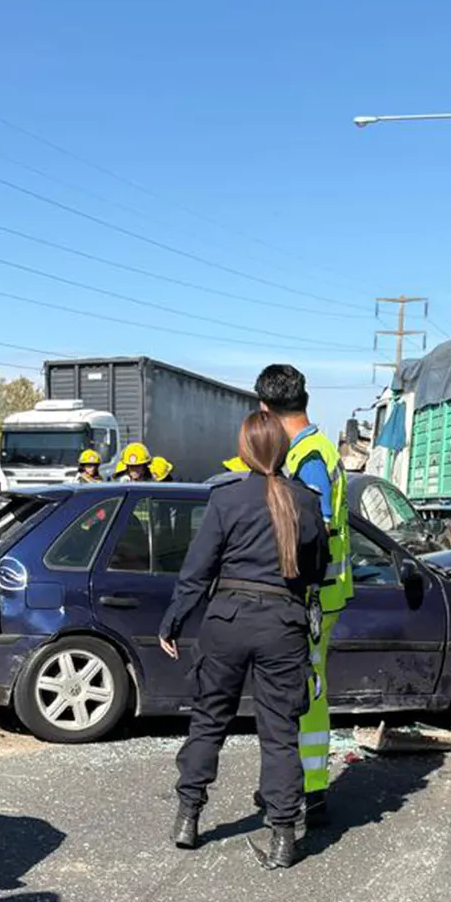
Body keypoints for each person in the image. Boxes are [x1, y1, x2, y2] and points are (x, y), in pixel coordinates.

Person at [159, 411, 329, 870]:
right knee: (279, 735)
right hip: (283, 625)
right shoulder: (306, 502)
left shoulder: (226, 498)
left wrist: (173, 621)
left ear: (245, 451)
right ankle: (282, 838)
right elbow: (317, 570)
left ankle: (188, 819)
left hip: (227, 621)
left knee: (209, 721)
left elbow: (197, 570)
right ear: (283, 449)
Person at [254, 364, 354, 827]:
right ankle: (296, 784)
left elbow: (312, 529)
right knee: (306, 689)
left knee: (307, 692)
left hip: (317, 595)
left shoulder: (309, 457)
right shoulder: (310, 449)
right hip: (322, 593)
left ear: (265, 409)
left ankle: (309, 791)